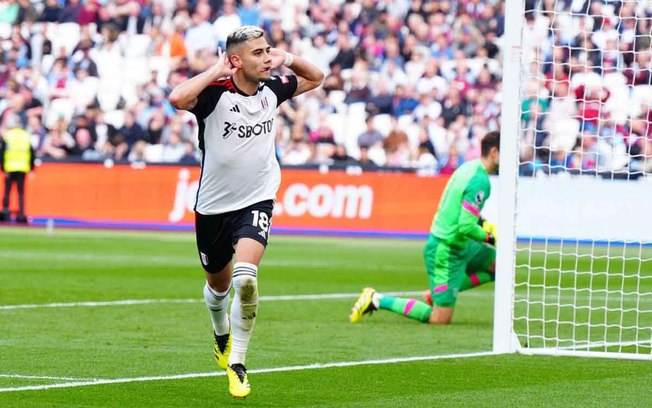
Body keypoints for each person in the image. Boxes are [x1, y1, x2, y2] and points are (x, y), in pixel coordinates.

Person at [168, 25, 323, 398]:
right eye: (258, 53)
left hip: (257, 199)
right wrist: (215, 70)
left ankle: (237, 362)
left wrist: (287, 57)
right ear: (236, 60)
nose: (266, 57)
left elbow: (316, 77)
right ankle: (220, 333)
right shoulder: (215, 96)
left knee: (246, 279)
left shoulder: (273, 89)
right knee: (218, 288)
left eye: (267, 50)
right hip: (213, 208)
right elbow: (177, 98)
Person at [349, 131, 501, 326]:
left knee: (499, 267)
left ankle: (438, 291)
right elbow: (465, 225)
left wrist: (485, 225)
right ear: (495, 152)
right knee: (439, 319)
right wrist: (491, 238)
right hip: (446, 250)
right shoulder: (480, 181)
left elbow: (460, 212)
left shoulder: (469, 168)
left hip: (463, 244)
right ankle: (376, 299)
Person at [0, 114, 35, 224]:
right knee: (21, 192)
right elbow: (31, 152)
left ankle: (5, 212)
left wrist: (3, 167)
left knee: (7, 192)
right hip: (22, 167)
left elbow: (2, 153)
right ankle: (21, 214)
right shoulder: (26, 136)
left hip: (10, 167)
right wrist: (31, 167)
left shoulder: (8, 136)